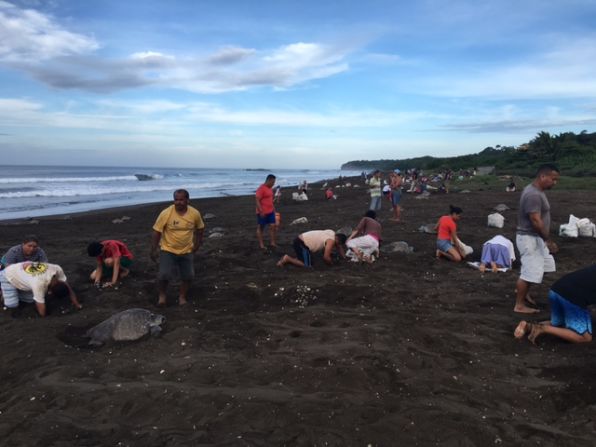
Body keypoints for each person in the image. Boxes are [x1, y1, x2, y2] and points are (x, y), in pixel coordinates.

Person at [514, 164, 560, 314]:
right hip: (529, 239)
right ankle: (519, 305)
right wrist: (548, 240)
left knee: (546, 266)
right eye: (553, 179)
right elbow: (535, 220)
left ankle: (524, 289)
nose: (555, 183)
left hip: (535, 238)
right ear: (543, 176)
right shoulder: (533, 195)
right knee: (530, 271)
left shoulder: (537, 191)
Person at [514, 264, 595, 344]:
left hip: (556, 290)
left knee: (560, 325)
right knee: (584, 338)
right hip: (571, 298)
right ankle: (543, 328)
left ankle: (528, 326)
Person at [151, 189, 205, 307]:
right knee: (164, 275)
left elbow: (200, 229)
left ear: (187, 200)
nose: (178, 202)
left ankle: (182, 296)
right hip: (168, 249)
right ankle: (162, 296)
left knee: (188, 276)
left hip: (187, 250)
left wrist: (197, 244)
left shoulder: (194, 213)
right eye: (176, 200)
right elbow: (156, 231)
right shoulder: (166, 213)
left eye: (181, 200)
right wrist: (153, 249)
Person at [0, 261, 81, 317]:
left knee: (31, 300)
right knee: (12, 305)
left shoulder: (57, 269)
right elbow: (40, 306)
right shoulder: (39, 284)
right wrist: (44, 316)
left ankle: (17, 292)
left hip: (20, 272)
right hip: (8, 276)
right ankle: (2, 291)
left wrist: (77, 304)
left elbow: (69, 289)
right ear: (50, 291)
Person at [277, 230, 347, 268]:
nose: (336, 246)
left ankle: (298, 259)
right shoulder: (331, 241)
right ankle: (287, 258)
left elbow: (339, 247)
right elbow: (326, 257)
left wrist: (344, 257)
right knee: (307, 265)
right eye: (338, 244)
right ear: (338, 240)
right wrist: (332, 265)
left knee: (305, 258)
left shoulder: (332, 232)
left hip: (300, 239)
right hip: (301, 244)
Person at [255, 174, 277, 250]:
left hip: (271, 211)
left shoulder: (270, 189)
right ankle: (261, 245)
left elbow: (270, 199)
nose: (274, 184)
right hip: (262, 212)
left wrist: (274, 208)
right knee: (261, 228)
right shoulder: (261, 188)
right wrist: (261, 211)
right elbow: (257, 200)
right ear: (269, 180)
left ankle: (272, 243)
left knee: (272, 226)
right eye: (273, 182)